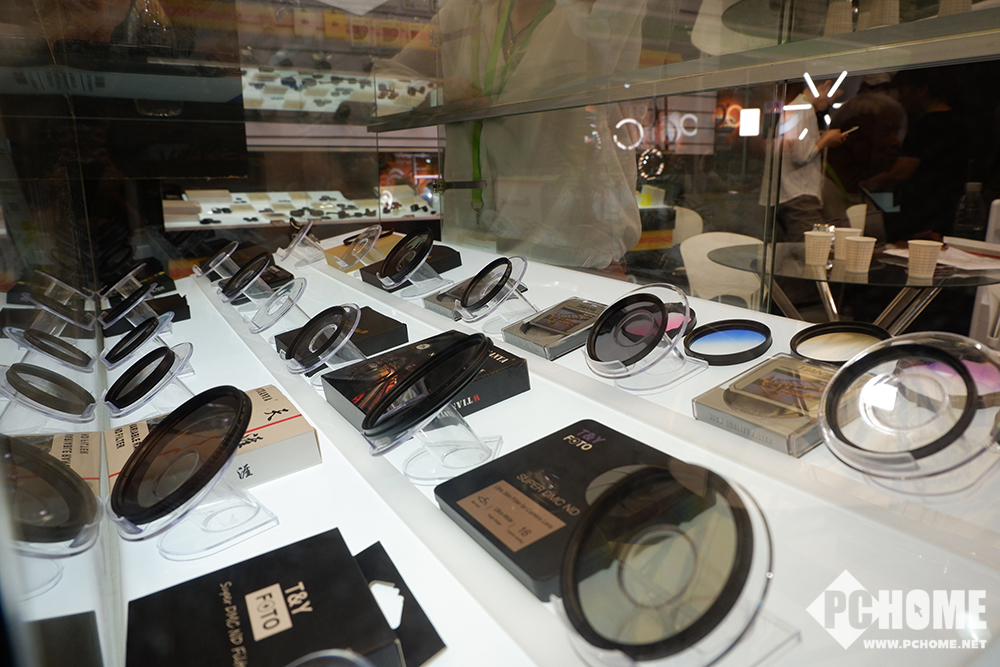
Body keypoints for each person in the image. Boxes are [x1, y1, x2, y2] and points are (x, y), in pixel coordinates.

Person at [373, 0, 646, 272]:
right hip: (477, 241)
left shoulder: (590, 9)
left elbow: (619, 58)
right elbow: (379, 87)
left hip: (571, 244)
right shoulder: (463, 13)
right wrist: (435, 91)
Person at [860, 68, 969, 242]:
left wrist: (860, 187)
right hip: (952, 209)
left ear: (922, 90)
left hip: (926, 213)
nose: (900, 98)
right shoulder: (960, 121)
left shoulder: (925, 126)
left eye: (902, 91)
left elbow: (900, 173)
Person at [763, 80, 849, 243]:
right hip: (799, 193)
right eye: (833, 97)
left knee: (788, 251)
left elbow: (793, 149)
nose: (831, 103)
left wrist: (821, 139)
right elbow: (802, 155)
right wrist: (826, 140)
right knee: (812, 248)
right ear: (825, 86)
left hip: (783, 194)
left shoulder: (794, 108)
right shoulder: (804, 110)